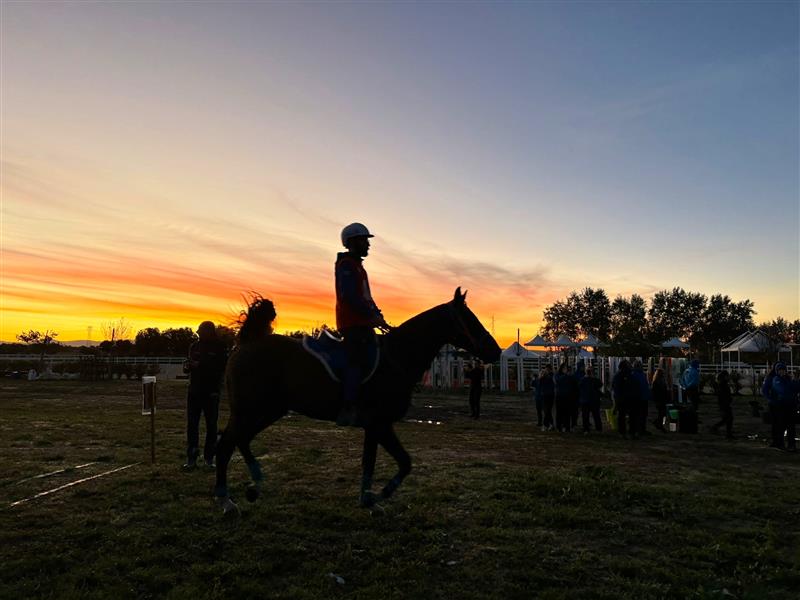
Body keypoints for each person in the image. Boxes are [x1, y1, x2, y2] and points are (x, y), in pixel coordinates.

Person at [335, 222, 391, 426]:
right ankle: (348, 407)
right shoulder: (346, 266)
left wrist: (378, 316)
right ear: (352, 243)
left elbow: (366, 297)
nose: (368, 244)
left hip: (364, 322)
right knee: (356, 362)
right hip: (352, 324)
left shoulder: (358, 267)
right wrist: (371, 315)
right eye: (364, 240)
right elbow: (350, 296)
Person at [183, 321, 228, 470]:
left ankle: (209, 459)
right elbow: (189, 367)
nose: (198, 334)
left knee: (211, 426)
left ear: (209, 332)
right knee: (192, 425)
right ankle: (191, 458)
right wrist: (188, 366)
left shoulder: (220, 347)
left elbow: (221, 367)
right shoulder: (194, 346)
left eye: (201, 331)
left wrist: (200, 365)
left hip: (211, 392)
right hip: (194, 391)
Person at [761, 362, 798, 451]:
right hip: (777, 405)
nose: (782, 372)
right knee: (778, 424)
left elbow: (794, 388)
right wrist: (772, 399)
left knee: (787, 425)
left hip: (788, 405)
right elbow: (783, 390)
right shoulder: (774, 379)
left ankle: (787, 444)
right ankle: (778, 442)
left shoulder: (787, 379)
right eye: (780, 370)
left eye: (783, 370)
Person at [612, 360, 640, 440]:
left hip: (622, 399)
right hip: (631, 398)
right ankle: (632, 432)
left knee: (622, 416)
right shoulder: (631, 375)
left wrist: (616, 399)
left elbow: (616, 388)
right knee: (632, 417)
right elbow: (635, 387)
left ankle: (623, 432)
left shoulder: (618, 375)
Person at [709, 370, 734, 439]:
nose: (728, 377)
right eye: (727, 376)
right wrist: (728, 402)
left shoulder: (722, 384)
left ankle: (715, 428)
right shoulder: (723, 385)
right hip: (724, 404)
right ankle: (728, 434)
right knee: (729, 419)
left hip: (723, 404)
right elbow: (723, 395)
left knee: (726, 419)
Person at [579, 365, 603, 433]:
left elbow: (579, 387)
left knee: (585, 416)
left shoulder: (582, 380)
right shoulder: (595, 380)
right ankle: (599, 429)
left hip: (585, 400)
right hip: (594, 400)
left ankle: (586, 429)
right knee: (596, 415)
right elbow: (600, 384)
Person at [555, 362, 577, 433]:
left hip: (567, 397)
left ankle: (566, 426)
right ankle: (560, 426)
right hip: (561, 396)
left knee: (567, 413)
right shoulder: (559, 376)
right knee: (560, 413)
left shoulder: (569, 376)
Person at [632, 360, 652, 435]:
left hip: (641, 397)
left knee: (641, 414)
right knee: (641, 414)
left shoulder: (636, 374)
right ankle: (640, 429)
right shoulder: (638, 375)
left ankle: (641, 429)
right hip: (640, 397)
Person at [537, 365, 555, 431]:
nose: (546, 371)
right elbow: (539, 384)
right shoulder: (543, 377)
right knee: (547, 410)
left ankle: (546, 424)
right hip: (545, 395)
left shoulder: (552, 376)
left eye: (547, 369)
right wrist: (541, 376)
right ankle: (550, 424)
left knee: (547, 410)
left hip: (550, 395)